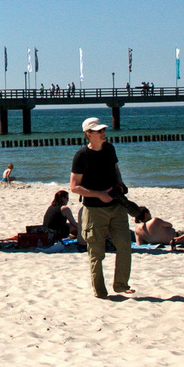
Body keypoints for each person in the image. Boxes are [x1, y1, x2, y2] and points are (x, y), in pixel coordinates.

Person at [70, 117, 131, 299]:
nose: (103, 133)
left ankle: (120, 285)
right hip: (94, 209)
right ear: (88, 134)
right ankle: (100, 291)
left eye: (103, 130)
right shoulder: (81, 156)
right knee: (97, 253)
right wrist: (99, 194)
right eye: (99, 131)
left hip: (117, 204)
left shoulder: (110, 148)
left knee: (124, 245)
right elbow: (74, 186)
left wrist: (120, 183)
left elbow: (115, 168)